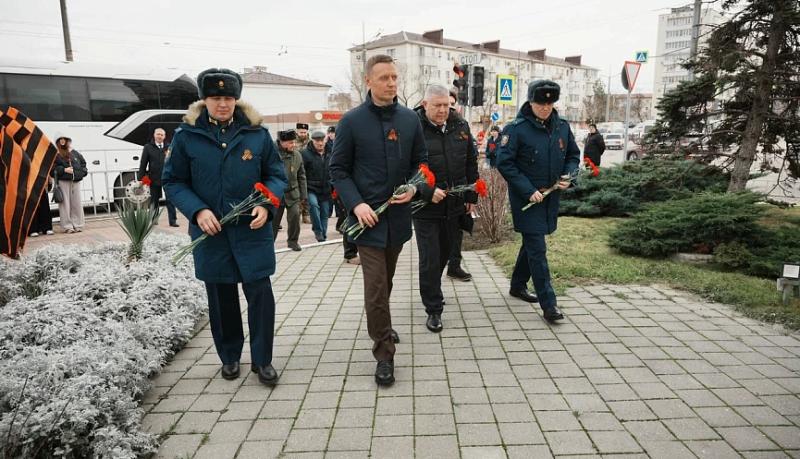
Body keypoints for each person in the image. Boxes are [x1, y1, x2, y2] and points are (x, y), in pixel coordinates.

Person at [163, 68, 288, 386]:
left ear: (236, 99)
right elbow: (174, 181)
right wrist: (198, 211)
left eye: (228, 98)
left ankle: (263, 360)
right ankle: (230, 357)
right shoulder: (186, 136)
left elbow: (275, 175)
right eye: (216, 98)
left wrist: (265, 203)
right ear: (204, 100)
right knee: (221, 298)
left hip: (251, 231)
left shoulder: (256, 135)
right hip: (211, 232)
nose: (223, 104)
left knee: (260, 296)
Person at [329, 54, 428, 386]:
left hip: (398, 221)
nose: (391, 83)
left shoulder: (409, 120)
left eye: (395, 77)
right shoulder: (352, 121)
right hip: (366, 224)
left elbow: (421, 163)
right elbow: (338, 170)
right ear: (368, 81)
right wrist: (356, 205)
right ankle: (384, 354)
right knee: (375, 289)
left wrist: (415, 189)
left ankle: (382, 325)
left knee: (384, 284)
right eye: (384, 77)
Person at [496, 80, 580, 323]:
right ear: (530, 102)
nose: (545, 108)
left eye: (549, 103)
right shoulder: (516, 129)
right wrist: (527, 189)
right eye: (540, 103)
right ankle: (549, 304)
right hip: (528, 199)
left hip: (551, 197)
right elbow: (505, 163)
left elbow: (573, 156)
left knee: (532, 243)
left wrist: (569, 176)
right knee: (537, 249)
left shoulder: (562, 127)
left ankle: (517, 285)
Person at [413, 84, 478, 332]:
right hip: (426, 207)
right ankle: (434, 308)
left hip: (454, 205)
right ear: (425, 104)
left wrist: (471, 193)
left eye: (447, 106)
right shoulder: (414, 128)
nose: (443, 110)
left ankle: (433, 288)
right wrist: (426, 191)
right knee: (430, 258)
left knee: (444, 254)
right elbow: (405, 168)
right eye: (437, 105)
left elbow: (471, 161)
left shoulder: (460, 126)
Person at [271, 129, 307, 251]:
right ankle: (269, 244)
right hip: (277, 194)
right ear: (282, 142)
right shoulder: (272, 155)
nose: (294, 145)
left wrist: (304, 195)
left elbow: (301, 176)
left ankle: (293, 241)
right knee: (274, 222)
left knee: (295, 217)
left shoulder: (297, 155)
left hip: (293, 193)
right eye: (290, 142)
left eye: (294, 142)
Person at [138, 128, 178, 226]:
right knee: (154, 201)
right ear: (154, 135)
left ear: (164, 137)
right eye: (158, 134)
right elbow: (143, 163)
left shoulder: (169, 147)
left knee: (170, 200)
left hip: (168, 178)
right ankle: (154, 220)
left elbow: (175, 162)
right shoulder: (148, 147)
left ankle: (173, 221)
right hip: (154, 178)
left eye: (161, 135)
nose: (159, 136)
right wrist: (141, 179)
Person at [52, 135, 87, 233]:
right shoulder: (55, 153)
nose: (62, 141)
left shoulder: (75, 153)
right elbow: (52, 169)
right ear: (58, 141)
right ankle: (67, 226)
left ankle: (78, 224)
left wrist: (81, 172)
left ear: (68, 141)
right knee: (65, 205)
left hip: (75, 181)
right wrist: (64, 170)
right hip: (63, 181)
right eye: (60, 139)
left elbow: (83, 164)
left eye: (64, 139)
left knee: (77, 204)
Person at [302, 130, 332, 242]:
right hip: (311, 188)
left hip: (325, 188)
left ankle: (323, 235)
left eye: (322, 141)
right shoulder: (305, 154)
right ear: (312, 141)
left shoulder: (330, 152)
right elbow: (302, 173)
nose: (320, 143)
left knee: (325, 213)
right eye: (317, 141)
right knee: (314, 206)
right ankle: (318, 231)